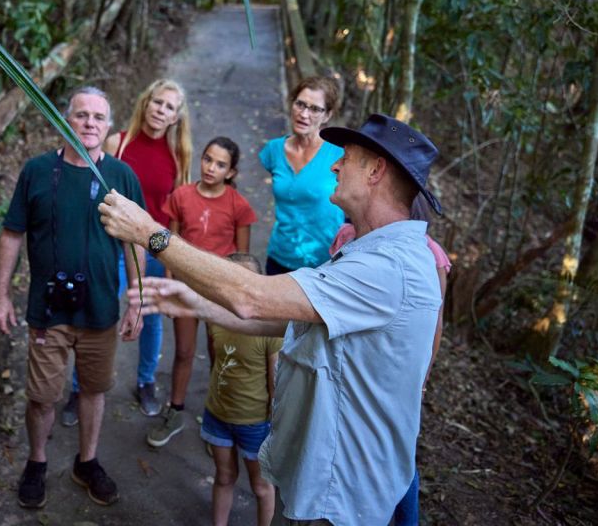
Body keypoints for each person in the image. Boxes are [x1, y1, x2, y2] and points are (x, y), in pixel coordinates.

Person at [99, 113, 444, 525]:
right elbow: (288, 318)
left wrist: (150, 234)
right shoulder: (369, 253)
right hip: (330, 483)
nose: (334, 165)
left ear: (376, 171)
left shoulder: (390, 268)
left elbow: (252, 297)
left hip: (347, 497)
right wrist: (197, 303)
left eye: (345, 158)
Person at [0, 87, 146, 509]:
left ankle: (86, 461)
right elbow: (11, 234)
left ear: (109, 127)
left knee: (94, 390)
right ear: (64, 120)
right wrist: (1, 295)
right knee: (42, 395)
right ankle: (37, 462)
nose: (89, 124)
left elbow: (138, 242)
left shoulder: (121, 176)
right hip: (48, 308)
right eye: (81, 115)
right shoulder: (37, 171)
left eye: (98, 117)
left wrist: (137, 300)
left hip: (100, 309)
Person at [63, 79, 192, 423]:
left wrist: (172, 259)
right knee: (98, 312)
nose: (160, 110)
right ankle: (79, 388)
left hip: (153, 247)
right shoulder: (117, 142)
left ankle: (146, 381)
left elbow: (176, 210)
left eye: (169, 107)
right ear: (145, 103)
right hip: (114, 244)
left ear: (176, 116)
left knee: (150, 316)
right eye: (156, 102)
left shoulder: (179, 156)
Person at [148, 137, 257, 448]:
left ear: (231, 171)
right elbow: (170, 244)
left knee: (219, 354)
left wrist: (234, 296)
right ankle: (176, 411)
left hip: (219, 292)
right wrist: (170, 287)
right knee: (183, 352)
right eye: (208, 159)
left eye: (220, 164)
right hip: (185, 287)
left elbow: (243, 260)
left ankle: (219, 423)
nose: (211, 167)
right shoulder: (181, 196)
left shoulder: (238, 205)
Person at [203, 252, 280, 526]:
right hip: (218, 415)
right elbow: (216, 361)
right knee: (224, 477)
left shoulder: (270, 329)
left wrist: (274, 428)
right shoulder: (216, 318)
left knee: (261, 487)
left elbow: (275, 384)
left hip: (255, 424)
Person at [260, 76, 345, 275]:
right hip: (279, 257)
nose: (304, 114)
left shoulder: (340, 155)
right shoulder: (273, 150)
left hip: (325, 263)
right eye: (300, 104)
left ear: (327, 115)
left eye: (315, 109)